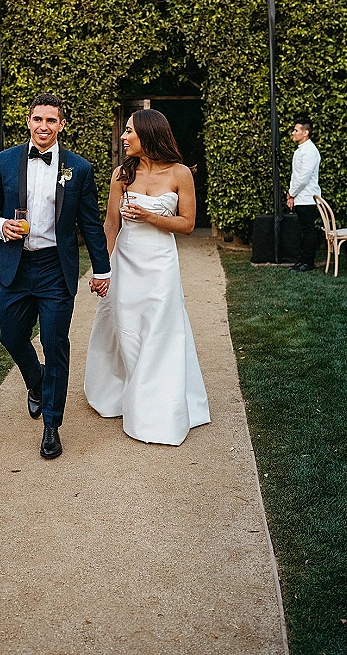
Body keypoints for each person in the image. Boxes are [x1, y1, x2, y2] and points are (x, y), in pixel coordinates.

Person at [0, 93, 111, 460]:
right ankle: (36, 380)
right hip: (16, 266)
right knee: (11, 336)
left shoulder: (78, 168)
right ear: (28, 121)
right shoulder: (4, 161)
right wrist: (2, 225)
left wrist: (103, 267)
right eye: (38, 119)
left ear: (61, 125)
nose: (44, 127)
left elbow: (90, 223)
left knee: (55, 344)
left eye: (51, 120)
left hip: (55, 268)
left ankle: (51, 426)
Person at [84, 108, 210, 446]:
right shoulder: (120, 176)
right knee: (128, 328)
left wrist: (150, 217)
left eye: (129, 132)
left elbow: (187, 225)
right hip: (126, 260)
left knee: (160, 329)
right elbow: (111, 225)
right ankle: (125, 392)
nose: (123, 138)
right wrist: (102, 268)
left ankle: (155, 408)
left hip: (161, 264)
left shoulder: (180, 173)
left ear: (148, 135)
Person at [286, 118, 321, 272]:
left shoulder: (310, 151)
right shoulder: (300, 150)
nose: (293, 133)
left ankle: (308, 262)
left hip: (308, 198)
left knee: (308, 231)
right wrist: (292, 196)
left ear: (305, 133)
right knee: (304, 230)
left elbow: (304, 177)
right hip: (300, 198)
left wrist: (291, 193)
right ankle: (303, 260)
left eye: (296, 130)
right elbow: (296, 176)